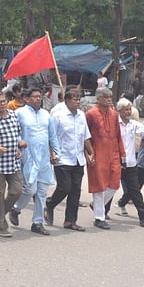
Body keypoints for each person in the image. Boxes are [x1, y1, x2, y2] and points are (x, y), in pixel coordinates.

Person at [11, 88, 60, 236]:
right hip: (28, 157)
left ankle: (37, 222)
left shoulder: (46, 114)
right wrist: (19, 143)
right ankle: (16, 208)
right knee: (29, 190)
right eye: (34, 97)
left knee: (42, 193)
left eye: (40, 97)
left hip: (44, 158)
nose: (38, 99)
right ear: (26, 99)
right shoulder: (19, 113)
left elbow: (52, 136)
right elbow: (13, 133)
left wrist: (56, 153)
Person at [109, 99, 144, 227]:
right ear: (119, 111)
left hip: (131, 163)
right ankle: (100, 210)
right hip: (117, 162)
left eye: (130, 109)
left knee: (135, 189)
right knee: (111, 188)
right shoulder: (114, 124)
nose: (128, 112)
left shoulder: (133, 124)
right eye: (126, 109)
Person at [46, 88, 92, 232]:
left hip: (78, 158)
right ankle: (50, 203)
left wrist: (91, 153)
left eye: (79, 99)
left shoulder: (81, 116)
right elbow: (51, 136)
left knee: (75, 191)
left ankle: (70, 221)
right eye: (74, 99)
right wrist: (52, 153)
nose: (78, 102)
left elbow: (85, 136)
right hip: (62, 158)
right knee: (64, 187)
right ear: (67, 100)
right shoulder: (57, 115)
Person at [0, 91, 26, 237]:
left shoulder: (13, 115)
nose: (2, 104)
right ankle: (1, 227)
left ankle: (1, 213)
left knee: (17, 191)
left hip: (13, 162)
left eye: (4, 101)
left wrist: (19, 145)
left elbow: (17, 134)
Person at [85, 88, 124, 230]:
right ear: (98, 98)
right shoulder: (91, 114)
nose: (109, 99)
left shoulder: (114, 115)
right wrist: (88, 154)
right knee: (99, 186)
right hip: (97, 153)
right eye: (106, 96)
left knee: (114, 183)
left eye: (110, 96)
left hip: (113, 153)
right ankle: (99, 217)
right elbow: (85, 136)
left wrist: (122, 153)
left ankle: (96, 205)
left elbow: (118, 135)